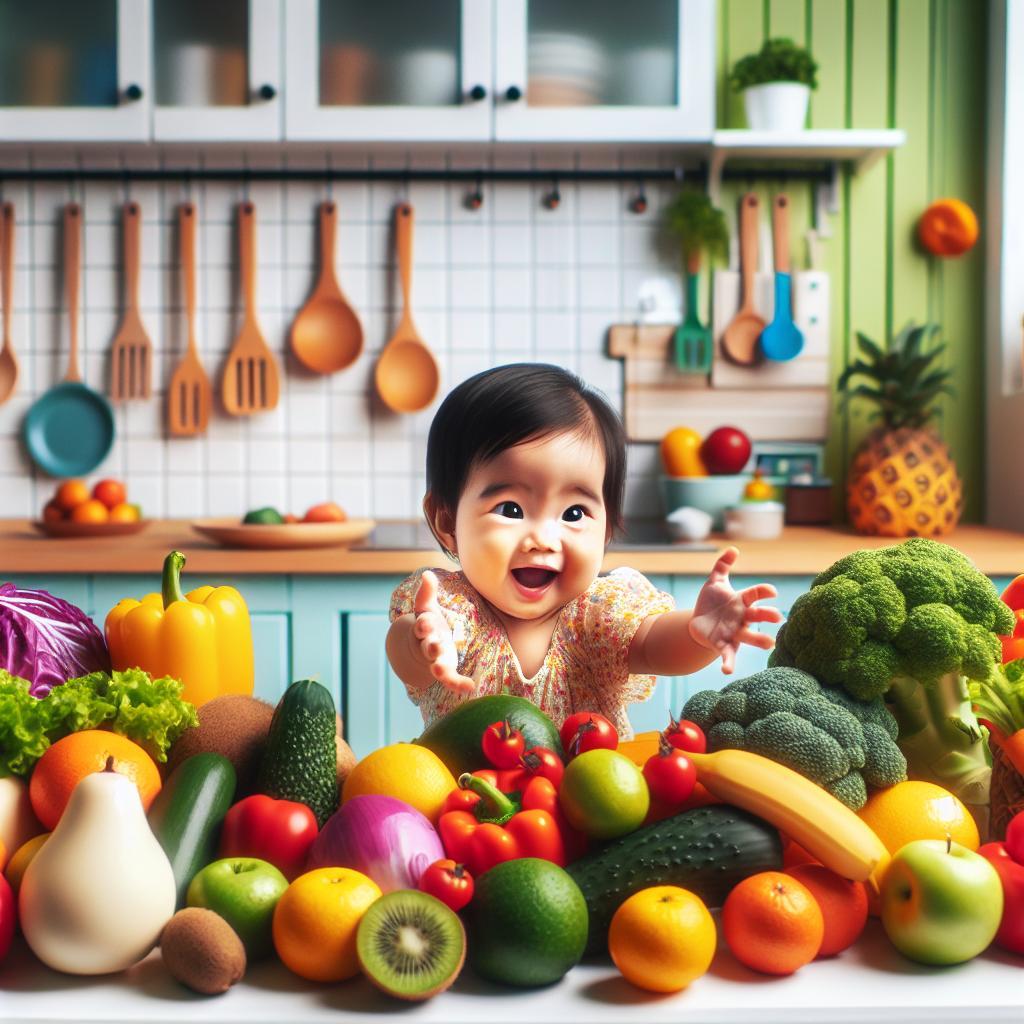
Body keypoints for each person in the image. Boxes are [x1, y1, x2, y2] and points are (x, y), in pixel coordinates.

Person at [386, 363, 782, 739]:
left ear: (606, 526)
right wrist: (422, 641)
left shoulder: (597, 616)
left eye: (573, 513)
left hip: (593, 800)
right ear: (445, 520)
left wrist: (699, 634)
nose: (543, 538)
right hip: (467, 804)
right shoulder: (448, 608)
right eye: (511, 509)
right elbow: (410, 656)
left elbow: (654, 644)